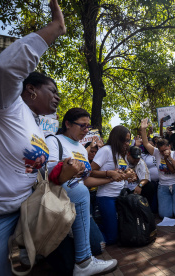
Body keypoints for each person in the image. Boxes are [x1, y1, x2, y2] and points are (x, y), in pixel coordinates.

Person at [0, 2, 114, 275]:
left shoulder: (35, 124)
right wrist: (54, 30)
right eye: (53, 89)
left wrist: (64, 172)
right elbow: (3, 71)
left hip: (22, 212)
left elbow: (35, 170)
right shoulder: (6, 103)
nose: (58, 95)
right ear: (31, 90)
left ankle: (81, 260)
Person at [46, 108, 117, 274]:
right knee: (79, 191)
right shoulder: (54, 141)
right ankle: (84, 261)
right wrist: (68, 170)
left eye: (88, 126)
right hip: (58, 202)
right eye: (82, 126)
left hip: (79, 202)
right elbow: (48, 173)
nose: (86, 130)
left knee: (98, 245)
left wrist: (110, 179)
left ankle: (76, 244)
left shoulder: (80, 148)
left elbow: (86, 181)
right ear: (68, 124)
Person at [90, 125, 135, 245]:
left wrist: (128, 174)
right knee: (111, 239)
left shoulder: (122, 153)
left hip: (120, 196)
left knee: (119, 231)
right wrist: (108, 173)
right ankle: (89, 238)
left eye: (129, 140)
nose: (127, 143)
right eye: (125, 140)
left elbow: (119, 171)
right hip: (106, 197)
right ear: (117, 138)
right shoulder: (106, 150)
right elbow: (90, 172)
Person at [140, 119, 175, 219]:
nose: (163, 152)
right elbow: (146, 144)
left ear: (169, 146)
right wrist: (143, 130)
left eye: (165, 149)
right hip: (163, 186)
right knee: (165, 215)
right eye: (161, 151)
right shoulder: (156, 153)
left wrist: (169, 158)